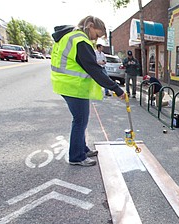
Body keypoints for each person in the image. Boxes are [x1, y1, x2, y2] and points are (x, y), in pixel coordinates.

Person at [50, 16, 125, 167]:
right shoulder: (81, 41)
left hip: (65, 84)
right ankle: (77, 157)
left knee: (81, 120)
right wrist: (116, 89)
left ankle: (82, 149)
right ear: (90, 26)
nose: (96, 40)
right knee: (80, 121)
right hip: (73, 86)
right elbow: (95, 70)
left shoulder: (69, 36)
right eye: (97, 35)